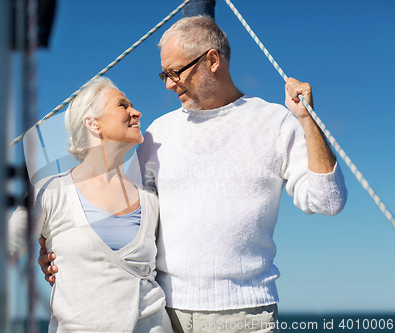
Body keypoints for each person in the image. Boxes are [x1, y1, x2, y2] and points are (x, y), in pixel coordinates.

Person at [38, 16, 348, 332]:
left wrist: (307, 121)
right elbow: (126, 215)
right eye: (164, 75)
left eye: (176, 72)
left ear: (212, 60)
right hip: (164, 315)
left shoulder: (276, 123)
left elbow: (327, 201)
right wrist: (57, 246)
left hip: (244, 316)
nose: (170, 84)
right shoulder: (158, 134)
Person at [8, 77, 173, 333]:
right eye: (123, 105)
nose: (136, 111)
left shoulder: (151, 199)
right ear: (92, 123)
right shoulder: (49, 192)